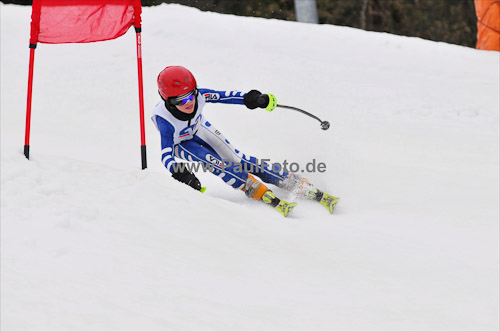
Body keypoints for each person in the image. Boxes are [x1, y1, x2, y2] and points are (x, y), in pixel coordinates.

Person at [151, 66, 338, 217]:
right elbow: (166, 155)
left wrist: (254, 99)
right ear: (168, 101)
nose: (189, 103)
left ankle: (291, 181)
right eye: (180, 101)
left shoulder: (200, 96)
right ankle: (254, 188)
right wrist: (180, 173)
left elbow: (227, 96)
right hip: (181, 144)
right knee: (217, 164)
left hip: (199, 128)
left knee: (239, 159)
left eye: (191, 95)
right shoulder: (165, 121)